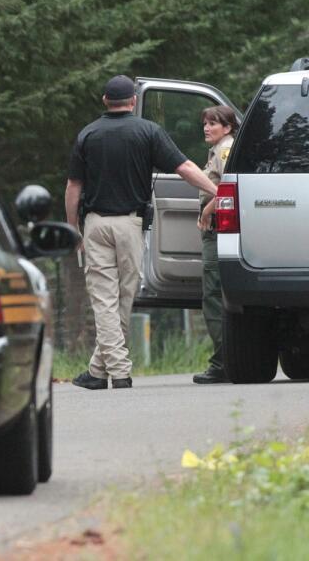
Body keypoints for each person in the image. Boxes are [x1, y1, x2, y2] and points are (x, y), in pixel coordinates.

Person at [65, 76, 218, 390]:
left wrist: (73, 228)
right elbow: (185, 168)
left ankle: (100, 370)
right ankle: (117, 371)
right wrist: (218, 189)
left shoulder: (88, 134)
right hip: (131, 226)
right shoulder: (148, 131)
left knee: (106, 298)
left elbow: (73, 187)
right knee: (122, 297)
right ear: (133, 102)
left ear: (105, 100)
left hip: (95, 224)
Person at [192, 105, 238, 384]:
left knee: (213, 293)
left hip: (217, 224)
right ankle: (225, 359)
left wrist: (207, 211)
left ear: (228, 127)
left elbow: (226, 188)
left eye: (213, 123)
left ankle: (223, 361)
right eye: (205, 123)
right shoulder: (218, 149)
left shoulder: (224, 150)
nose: (207, 128)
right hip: (215, 224)